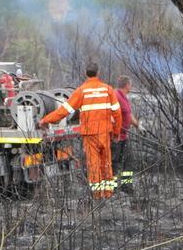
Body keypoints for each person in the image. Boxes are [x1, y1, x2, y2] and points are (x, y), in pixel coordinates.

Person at [39, 63, 122, 199]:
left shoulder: (81, 91)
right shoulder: (108, 89)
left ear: (86, 73)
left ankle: (97, 195)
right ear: (98, 72)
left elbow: (64, 111)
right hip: (105, 133)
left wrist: (45, 120)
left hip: (90, 134)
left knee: (93, 164)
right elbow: (117, 113)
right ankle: (108, 194)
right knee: (106, 163)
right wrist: (116, 133)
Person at [112, 76, 140, 194]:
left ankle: (126, 186)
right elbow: (111, 113)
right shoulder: (115, 96)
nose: (131, 87)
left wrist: (138, 125)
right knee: (114, 162)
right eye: (130, 84)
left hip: (125, 136)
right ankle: (112, 188)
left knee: (129, 161)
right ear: (126, 85)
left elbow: (128, 114)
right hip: (116, 137)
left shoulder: (124, 98)